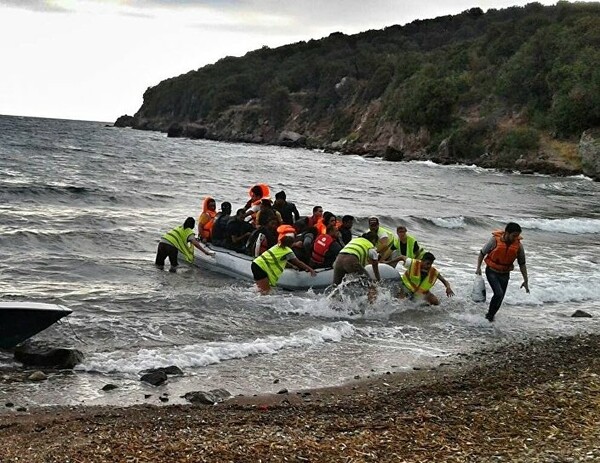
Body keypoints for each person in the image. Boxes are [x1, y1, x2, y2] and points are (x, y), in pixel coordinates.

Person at [476, 222, 529, 322]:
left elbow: (522, 263)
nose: (516, 238)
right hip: (492, 271)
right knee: (499, 293)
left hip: (505, 274)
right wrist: (478, 268)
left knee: (500, 298)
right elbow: (482, 253)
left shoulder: (518, 246)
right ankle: (489, 316)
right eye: (514, 235)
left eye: (517, 236)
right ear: (507, 233)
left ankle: (490, 317)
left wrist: (525, 280)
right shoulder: (494, 240)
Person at [252, 235, 316, 294]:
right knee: (266, 292)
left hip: (256, 264)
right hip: (260, 268)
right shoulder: (288, 252)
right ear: (290, 244)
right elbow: (298, 262)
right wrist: (311, 270)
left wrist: (292, 266)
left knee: (260, 290)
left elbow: (279, 259)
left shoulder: (277, 246)